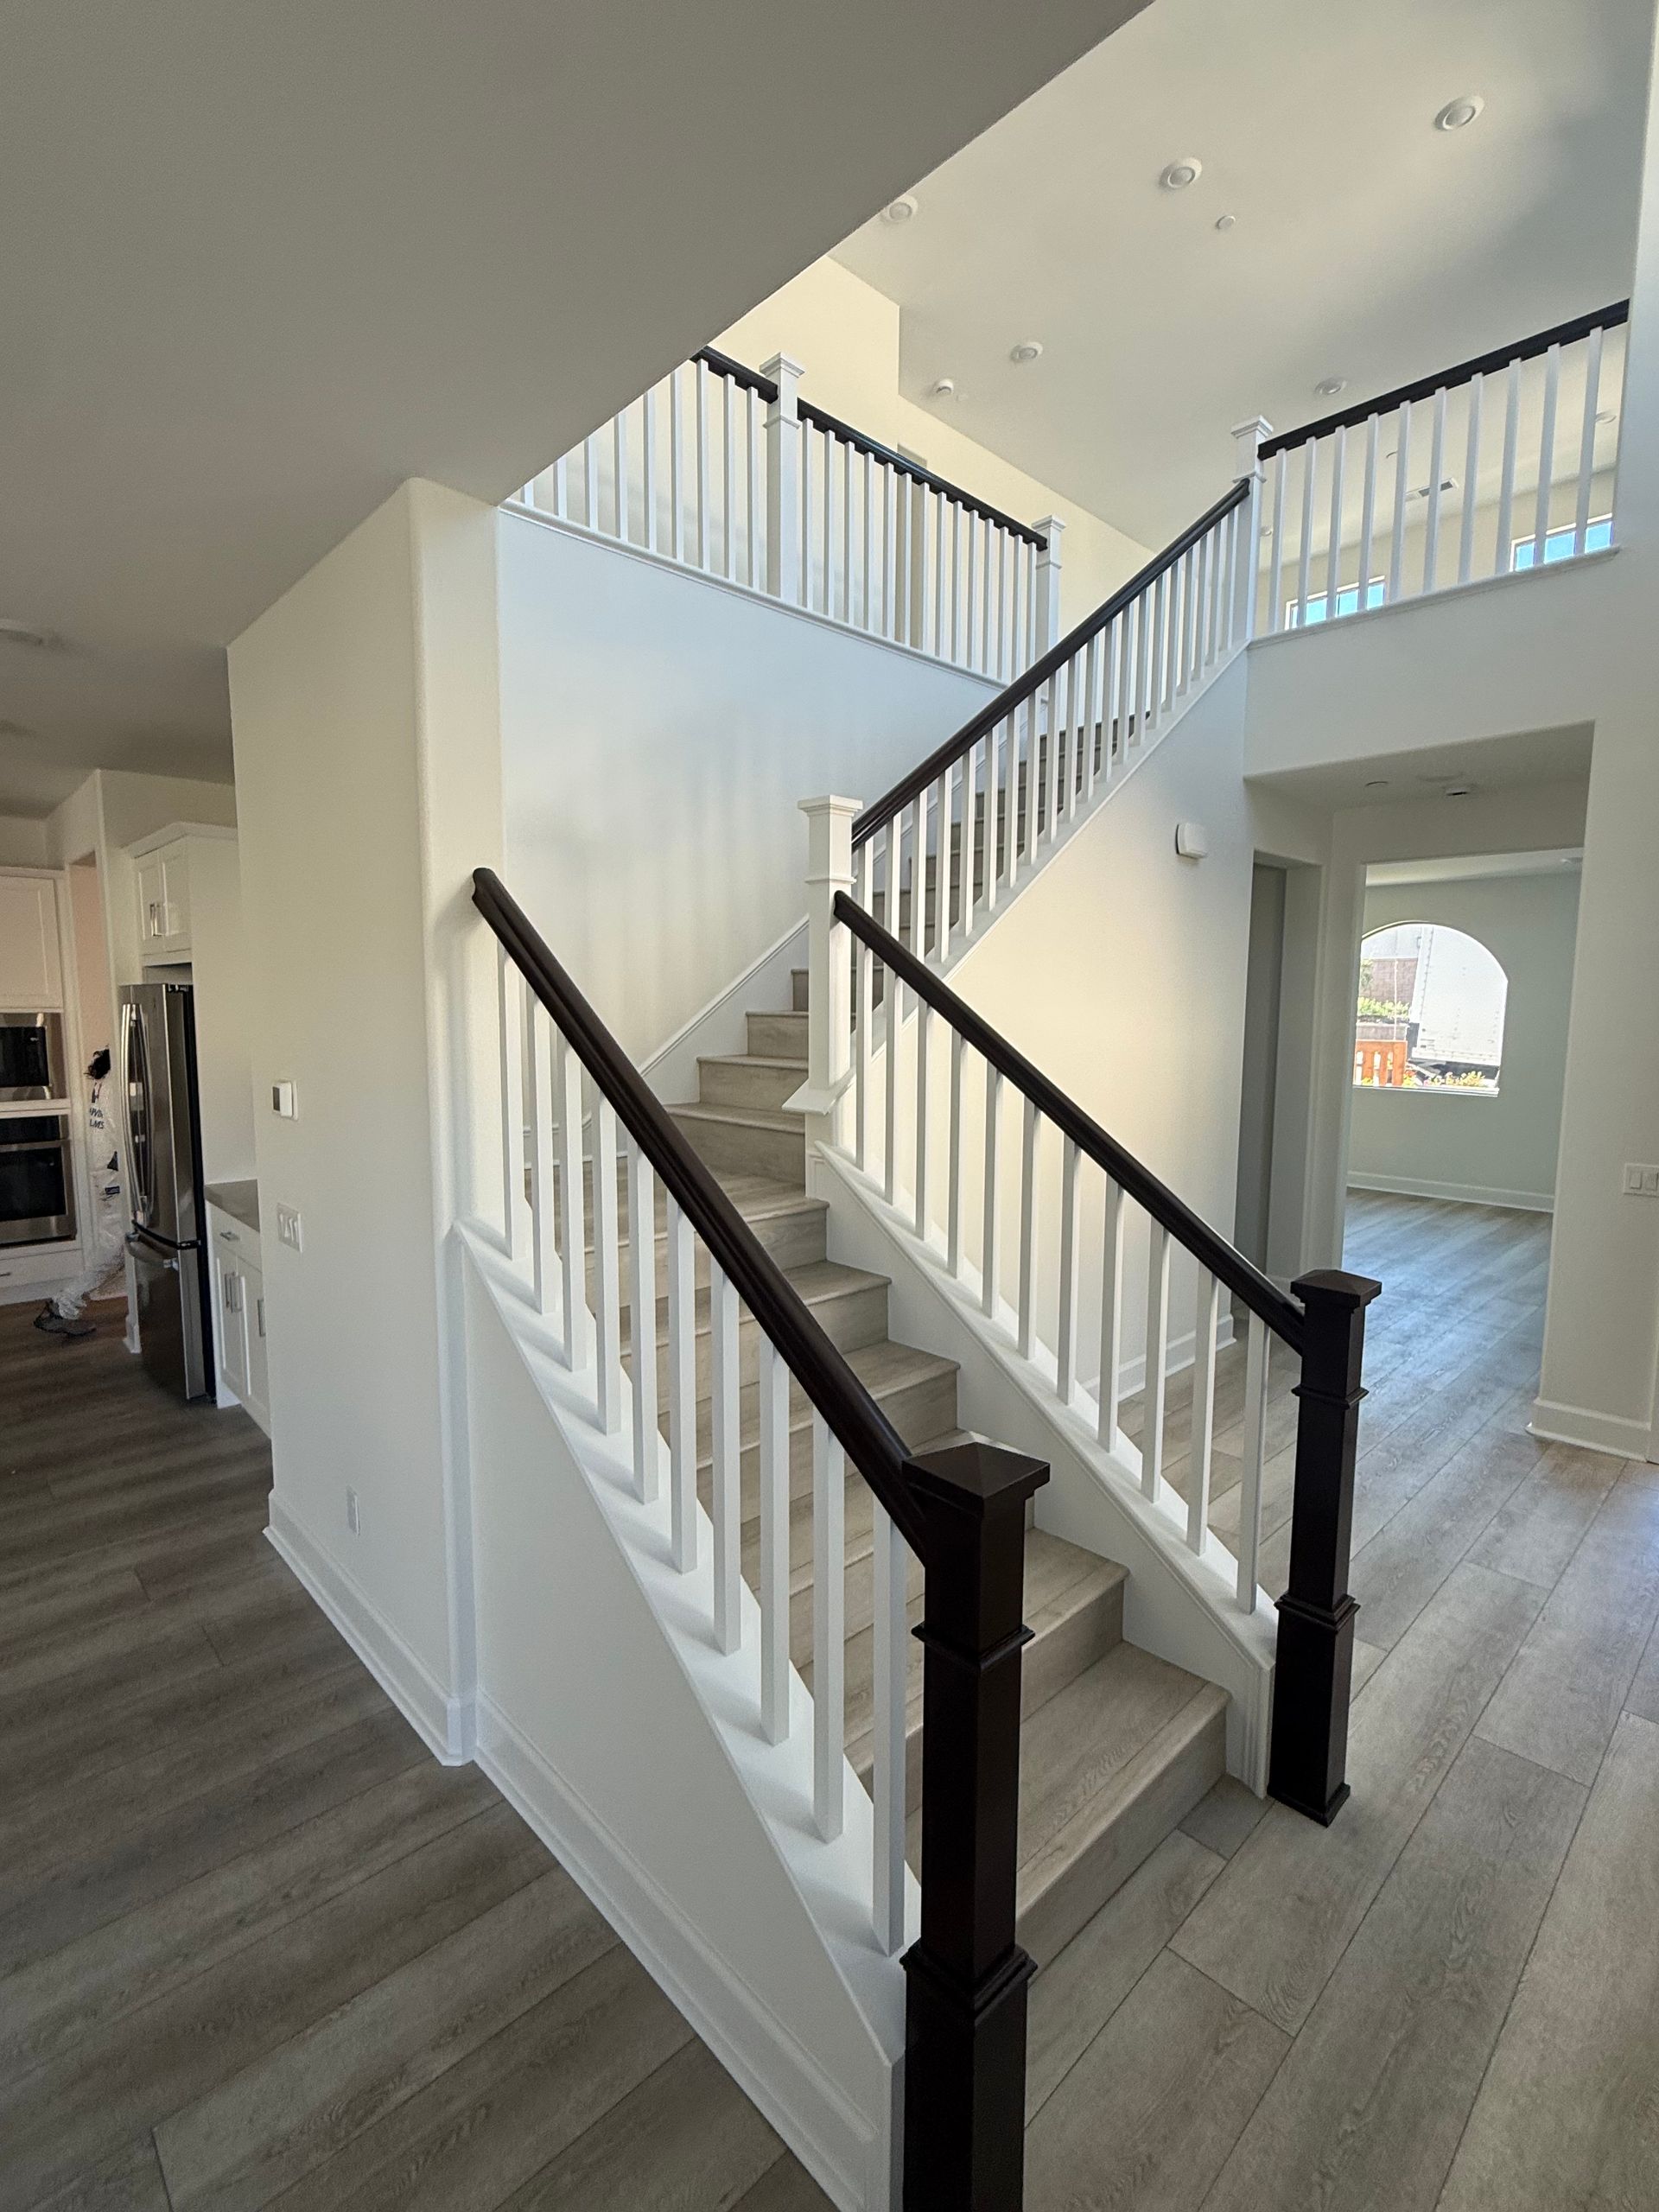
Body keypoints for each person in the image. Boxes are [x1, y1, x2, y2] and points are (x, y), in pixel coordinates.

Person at [35, 1047, 124, 1342]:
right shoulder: (115, 1086)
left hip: (107, 1174)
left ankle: (64, 1306)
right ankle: (62, 1306)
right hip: (115, 1176)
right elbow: (123, 1135)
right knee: (115, 1252)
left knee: (121, 1250)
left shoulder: (105, 1081)